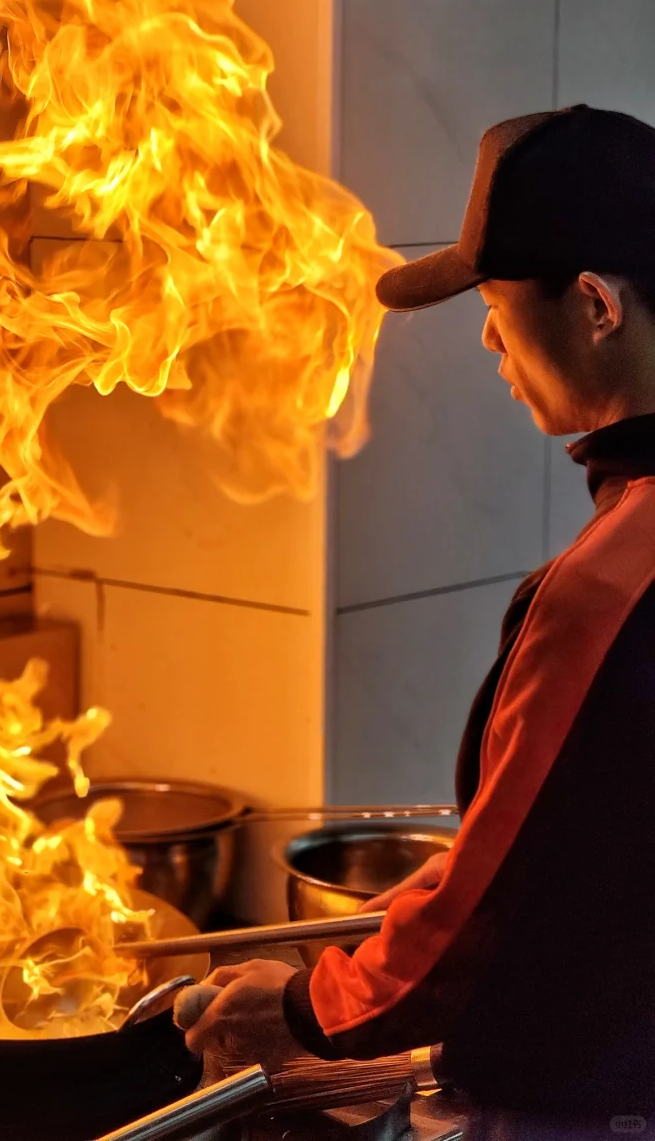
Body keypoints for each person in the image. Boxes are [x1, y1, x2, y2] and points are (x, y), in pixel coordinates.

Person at [183, 105, 655, 1119]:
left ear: (595, 306)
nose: (486, 334)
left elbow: (500, 908)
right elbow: (569, 843)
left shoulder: (613, 582)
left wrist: (303, 1009)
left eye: (496, 300)